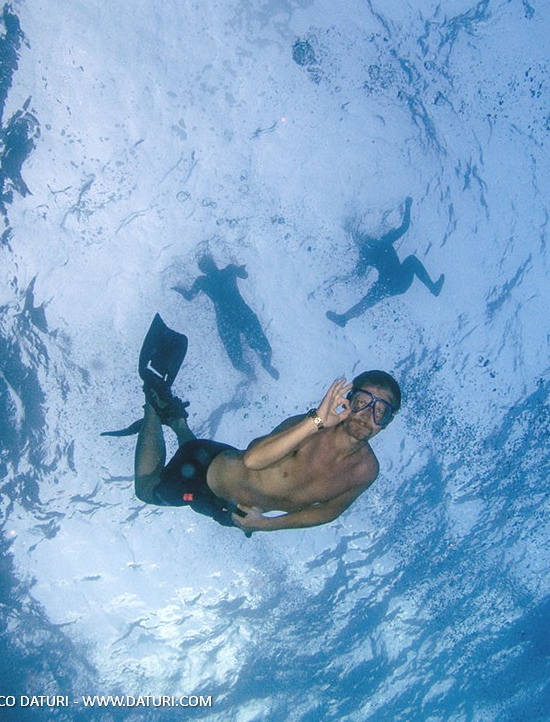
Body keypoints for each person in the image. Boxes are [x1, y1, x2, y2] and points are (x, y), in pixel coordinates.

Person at [127, 315, 401, 535]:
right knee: (147, 490)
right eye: (364, 401)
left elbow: (329, 511)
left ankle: (176, 420)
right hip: (205, 474)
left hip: (233, 510)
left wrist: (266, 524)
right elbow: (253, 460)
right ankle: (153, 401)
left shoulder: (366, 471)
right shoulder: (310, 428)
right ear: (347, 400)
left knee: (189, 454)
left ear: (386, 423)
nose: (368, 414)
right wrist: (315, 420)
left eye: (381, 410)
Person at [326, 197, 444, 327]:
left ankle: (344, 318)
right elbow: (404, 228)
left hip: (395, 281)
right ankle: (344, 318)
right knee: (371, 297)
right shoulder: (376, 247)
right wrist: (408, 206)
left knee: (371, 297)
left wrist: (408, 207)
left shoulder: (374, 248)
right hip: (395, 282)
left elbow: (404, 228)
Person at [172, 253, 279, 379]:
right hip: (242, 314)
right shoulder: (228, 271)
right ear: (214, 263)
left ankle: (252, 371)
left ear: (203, 269)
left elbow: (190, 296)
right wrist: (240, 270)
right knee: (261, 347)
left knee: (238, 359)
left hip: (227, 321)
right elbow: (244, 276)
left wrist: (180, 290)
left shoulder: (203, 280)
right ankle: (263, 366)